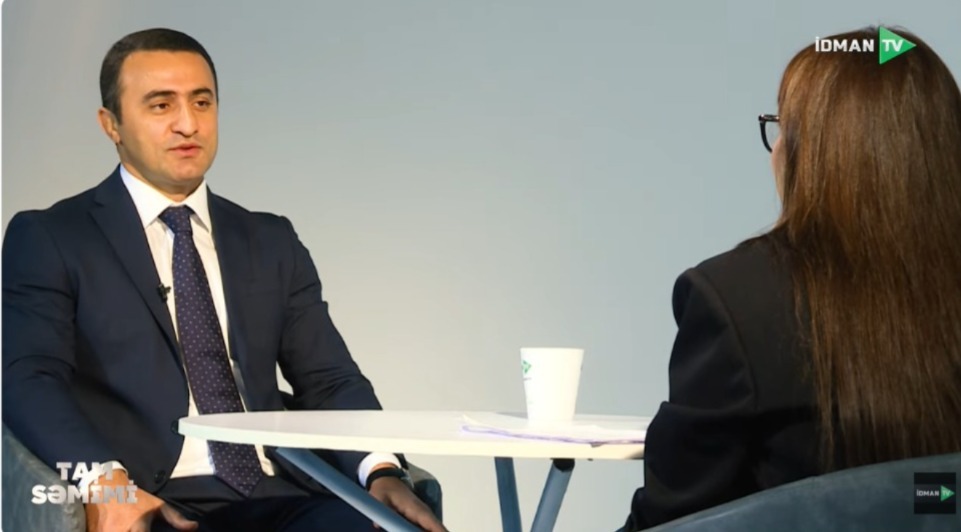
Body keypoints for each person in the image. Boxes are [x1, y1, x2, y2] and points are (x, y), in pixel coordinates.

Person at [2, 28, 445, 532]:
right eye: (161, 105)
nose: (188, 124)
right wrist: (108, 487)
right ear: (112, 125)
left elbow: (329, 379)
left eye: (202, 102)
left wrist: (381, 470)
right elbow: (27, 379)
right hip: (154, 496)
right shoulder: (53, 237)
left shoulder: (269, 239)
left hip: (284, 494)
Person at [623, 27, 961, 530]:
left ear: (814, 152)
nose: (775, 148)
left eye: (783, 125)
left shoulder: (736, 300)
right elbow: (935, 497)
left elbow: (671, 519)